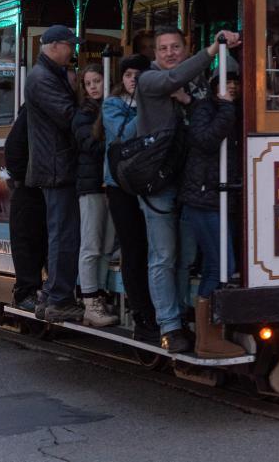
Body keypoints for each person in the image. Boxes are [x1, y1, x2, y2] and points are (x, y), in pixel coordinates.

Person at [136, 26, 241, 353]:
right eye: (163, 48)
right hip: (158, 182)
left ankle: (183, 314)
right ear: (155, 54)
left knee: (186, 256)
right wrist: (212, 51)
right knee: (164, 255)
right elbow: (173, 80)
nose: (169, 53)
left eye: (175, 47)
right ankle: (169, 326)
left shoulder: (194, 82)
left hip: (188, 182)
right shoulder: (149, 80)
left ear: (185, 48)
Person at [179, 68, 245, 358]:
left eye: (235, 82)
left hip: (223, 199)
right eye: (225, 82)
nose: (231, 87)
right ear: (214, 85)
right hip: (204, 199)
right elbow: (205, 140)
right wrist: (227, 108)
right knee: (221, 266)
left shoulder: (237, 110)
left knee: (215, 267)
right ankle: (207, 338)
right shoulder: (205, 109)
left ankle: (209, 335)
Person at [25, 25, 84, 323]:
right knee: (64, 232)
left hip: (54, 165)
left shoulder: (45, 75)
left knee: (59, 231)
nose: (72, 51)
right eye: (69, 46)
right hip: (57, 166)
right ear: (55, 46)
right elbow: (67, 115)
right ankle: (59, 297)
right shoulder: (42, 78)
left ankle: (50, 296)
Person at [102, 54, 159, 343]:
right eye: (128, 75)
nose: (133, 79)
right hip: (120, 185)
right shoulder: (112, 105)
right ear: (121, 79)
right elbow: (123, 135)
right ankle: (140, 312)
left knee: (152, 248)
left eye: (139, 74)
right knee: (132, 247)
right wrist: (149, 108)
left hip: (150, 183)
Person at [72, 63, 118, 328]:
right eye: (88, 83)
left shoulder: (114, 107)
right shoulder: (83, 115)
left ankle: (99, 294)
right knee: (91, 243)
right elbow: (88, 144)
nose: (93, 87)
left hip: (111, 184)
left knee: (108, 244)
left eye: (97, 81)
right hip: (90, 186)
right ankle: (90, 300)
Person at [5, 104, 47, 313]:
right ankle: (25, 291)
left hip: (39, 186)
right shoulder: (31, 112)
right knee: (27, 240)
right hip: (30, 188)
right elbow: (12, 150)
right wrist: (26, 178)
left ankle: (34, 290)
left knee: (40, 240)